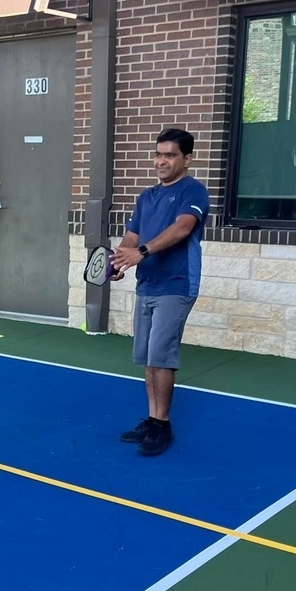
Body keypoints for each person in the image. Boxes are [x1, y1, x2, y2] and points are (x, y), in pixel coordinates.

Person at [109, 128, 210, 456]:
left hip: (177, 284)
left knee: (161, 356)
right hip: (147, 285)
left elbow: (182, 228)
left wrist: (142, 253)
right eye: (158, 154)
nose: (161, 161)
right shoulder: (146, 197)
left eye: (170, 155)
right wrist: (120, 259)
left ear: (186, 159)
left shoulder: (193, 190)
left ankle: (163, 424)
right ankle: (153, 419)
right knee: (148, 357)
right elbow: (131, 236)